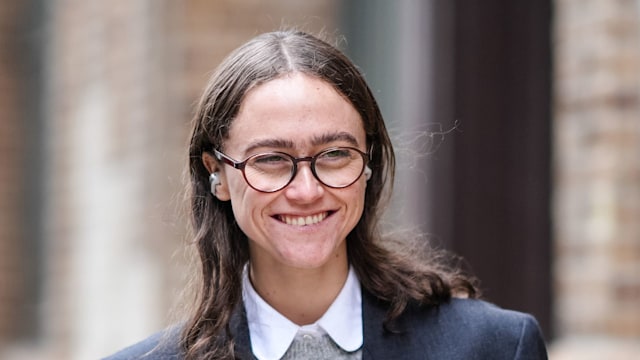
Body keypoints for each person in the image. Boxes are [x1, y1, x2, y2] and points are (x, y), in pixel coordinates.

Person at [105, 30, 548, 360]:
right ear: (217, 174)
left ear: (368, 162)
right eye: (271, 159)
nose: (306, 190)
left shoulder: (495, 347)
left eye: (334, 153)